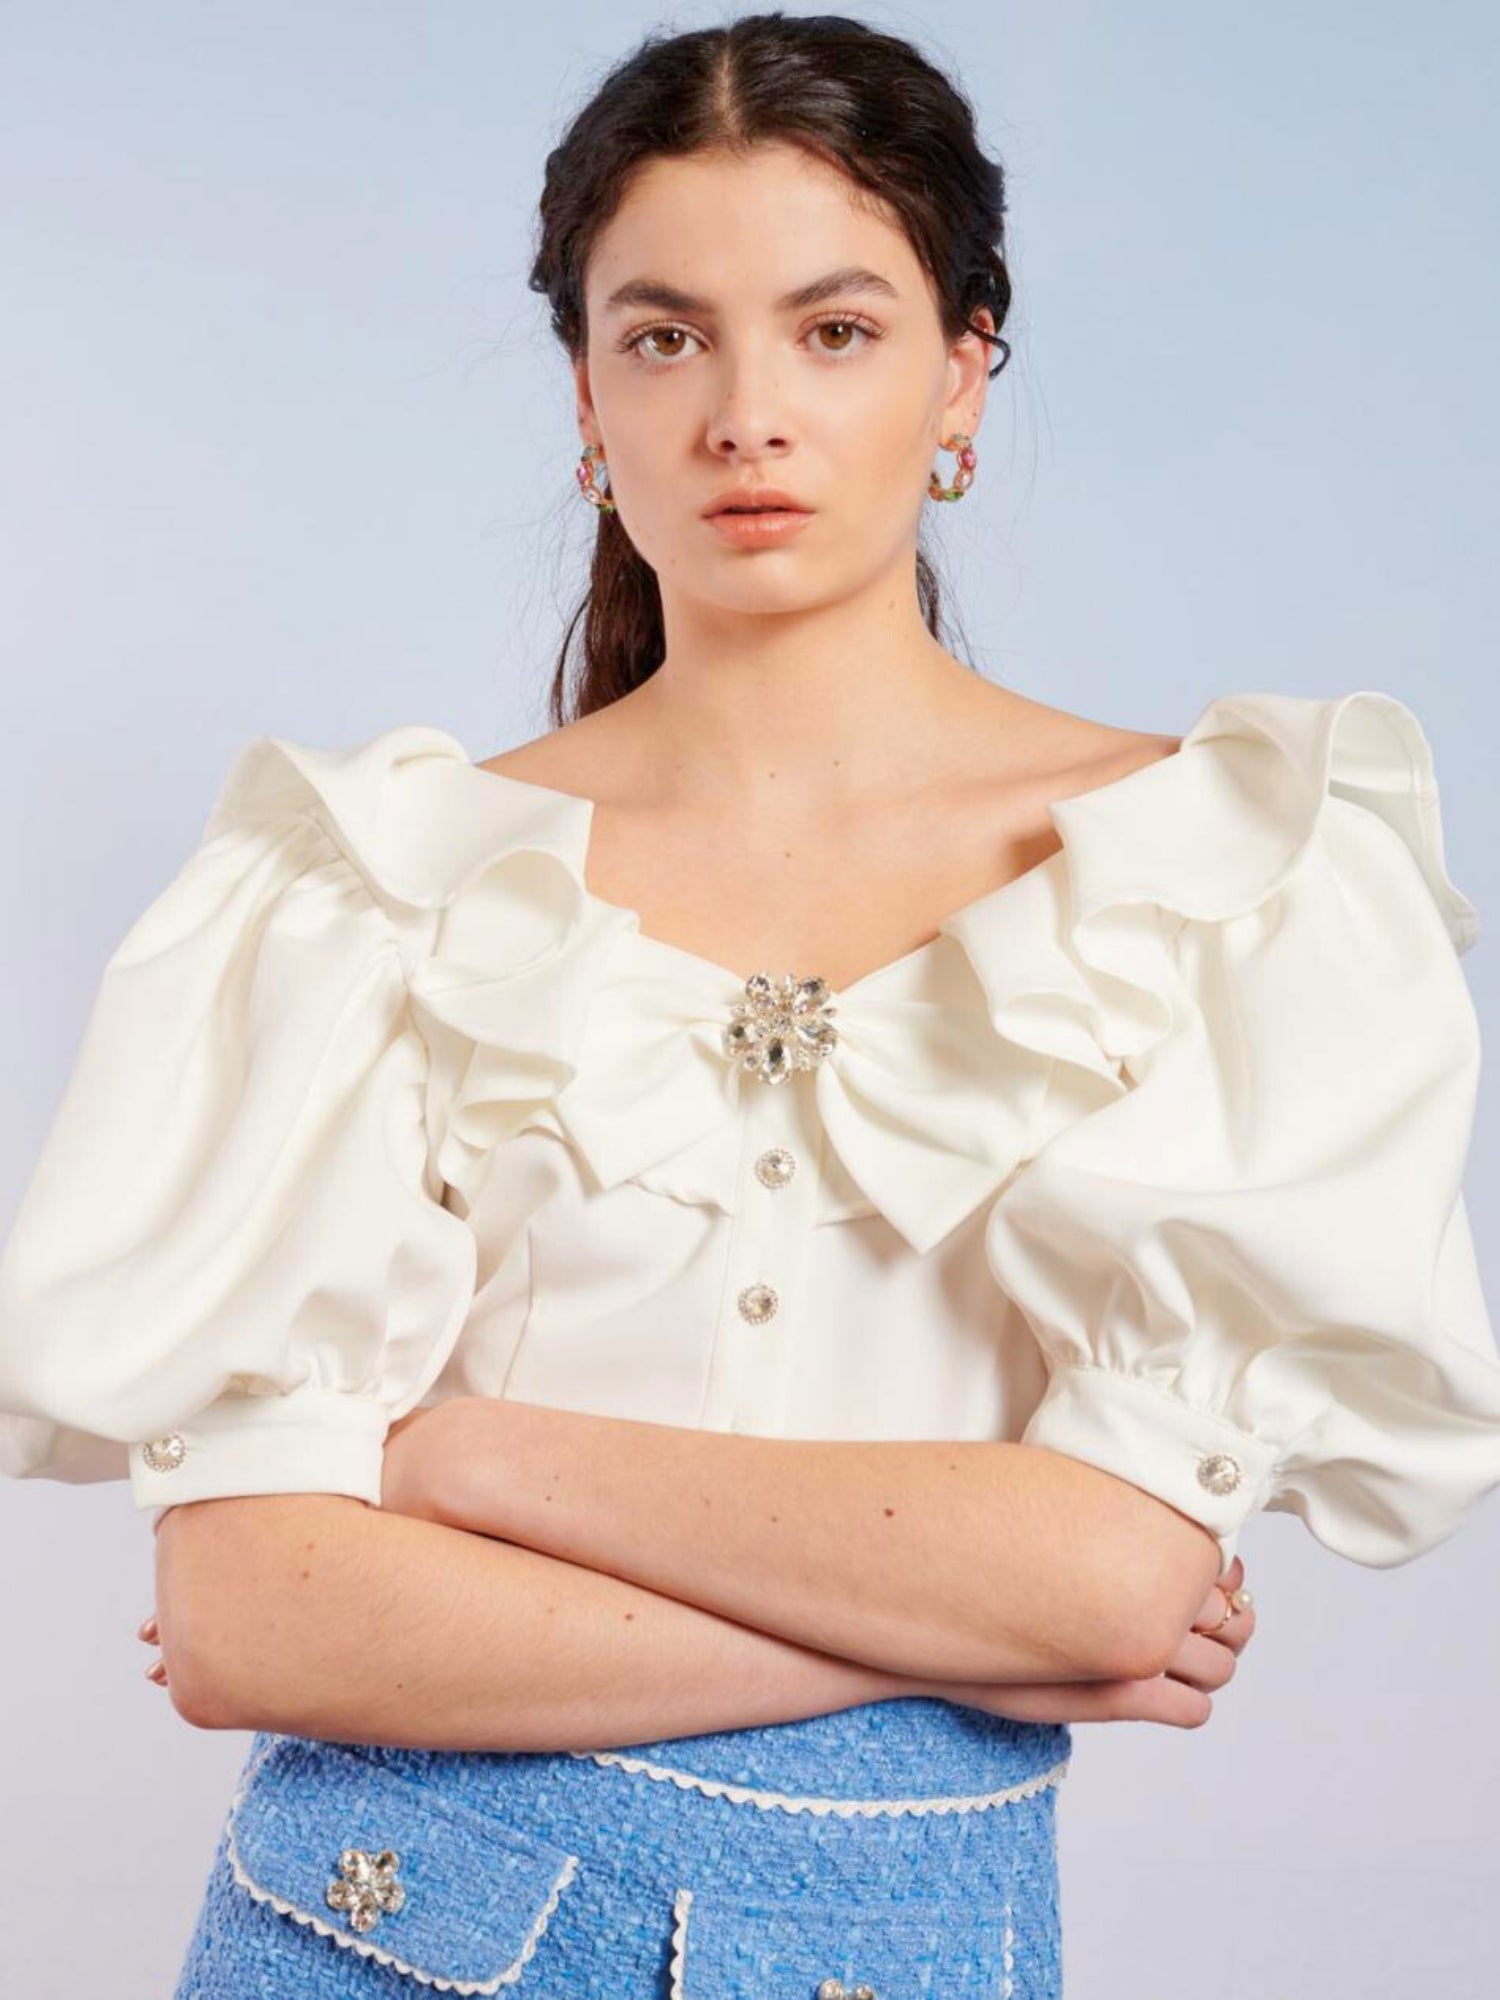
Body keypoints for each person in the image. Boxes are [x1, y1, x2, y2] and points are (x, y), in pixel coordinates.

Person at [2, 13, 1498, 1997]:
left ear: (967, 367)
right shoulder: (369, 885)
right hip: (366, 1924)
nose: (743, 413)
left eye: (836, 329)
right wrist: (991, 1620)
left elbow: (1109, 1570)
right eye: (663, 333)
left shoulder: (1220, 880)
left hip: (895, 1931)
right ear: (584, 394)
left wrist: (468, 1464)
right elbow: (259, 1619)